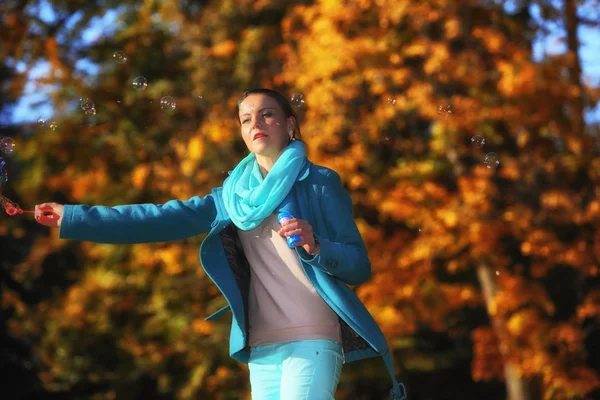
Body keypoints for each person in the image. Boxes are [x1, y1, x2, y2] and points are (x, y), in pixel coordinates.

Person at [35, 88, 408, 400]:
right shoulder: (230, 197)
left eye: (266, 115)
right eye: (246, 119)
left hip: (313, 337)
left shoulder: (319, 182)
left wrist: (317, 246)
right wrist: (73, 216)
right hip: (261, 347)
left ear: (290, 125)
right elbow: (155, 217)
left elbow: (359, 264)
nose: (256, 124)